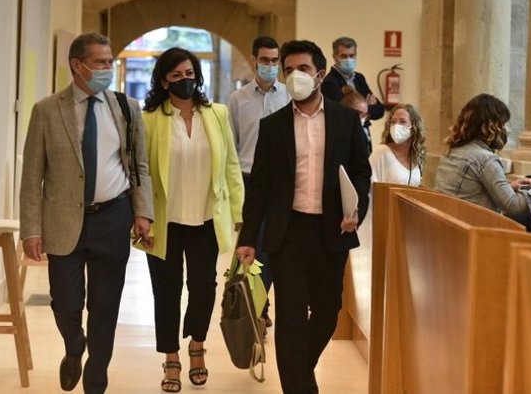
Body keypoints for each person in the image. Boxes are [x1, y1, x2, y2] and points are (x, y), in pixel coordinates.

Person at [19, 33, 154, 393]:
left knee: (105, 305)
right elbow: (32, 175)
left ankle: (96, 376)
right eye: (101, 62)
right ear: (77, 66)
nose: (109, 68)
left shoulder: (126, 107)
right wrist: (30, 229)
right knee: (65, 302)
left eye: (111, 61)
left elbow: (139, 165)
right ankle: (74, 345)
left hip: (113, 216)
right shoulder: (47, 110)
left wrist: (144, 213)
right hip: (63, 220)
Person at [235, 39, 371, 394]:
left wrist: (355, 209)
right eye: (289, 70)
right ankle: (301, 387)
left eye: (304, 69)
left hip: (332, 231)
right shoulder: (274, 125)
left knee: (328, 312)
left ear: (320, 74)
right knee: (291, 320)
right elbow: (260, 187)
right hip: (288, 231)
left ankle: (296, 369)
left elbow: (360, 171)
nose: (295, 76)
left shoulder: (345, 120)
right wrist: (248, 237)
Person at [140, 47, 244, 393]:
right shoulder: (151, 118)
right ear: (163, 80)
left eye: (189, 74)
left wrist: (240, 215)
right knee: (165, 292)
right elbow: (140, 174)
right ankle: (171, 356)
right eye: (176, 75)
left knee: (203, 289)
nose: (185, 80)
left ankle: (197, 345)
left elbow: (230, 165)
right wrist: (140, 218)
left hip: (205, 219)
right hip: (164, 222)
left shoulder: (216, 114)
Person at [227, 35, 290, 330]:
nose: (269, 65)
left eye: (274, 60)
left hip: (280, 183)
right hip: (248, 180)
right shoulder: (238, 100)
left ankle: (262, 307)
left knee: (272, 245)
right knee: (250, 247)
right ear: (254, 61)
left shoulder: (288, 97)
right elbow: (232, 146)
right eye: (264, 60)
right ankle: (250, 308)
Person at [434, 93, 531, 231]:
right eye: (503, 124)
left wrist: (508, 187)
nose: (506, 130)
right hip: (474, 231)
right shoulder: (485, 158)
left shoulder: (453, 151)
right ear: (490, 126)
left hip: (449, 225)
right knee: (530, 219)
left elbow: (471, 192)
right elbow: (513, 205)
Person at [321, 36, 385, 154]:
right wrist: (367, 104)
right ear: (335, 57)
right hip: (344, 141)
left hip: (364, 139)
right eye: (344, 56)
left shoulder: (359, 78)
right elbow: (344, 114)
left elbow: (380, 110)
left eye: (352, 55)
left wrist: (360, 109)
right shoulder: (330, 83)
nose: (349, 59)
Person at [369, 103, 426, 186]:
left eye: (402, 121)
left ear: (414, 127)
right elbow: (369, 186)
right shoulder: (382, 152)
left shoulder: (416, 155)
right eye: (393, 122)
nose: (396, 126)